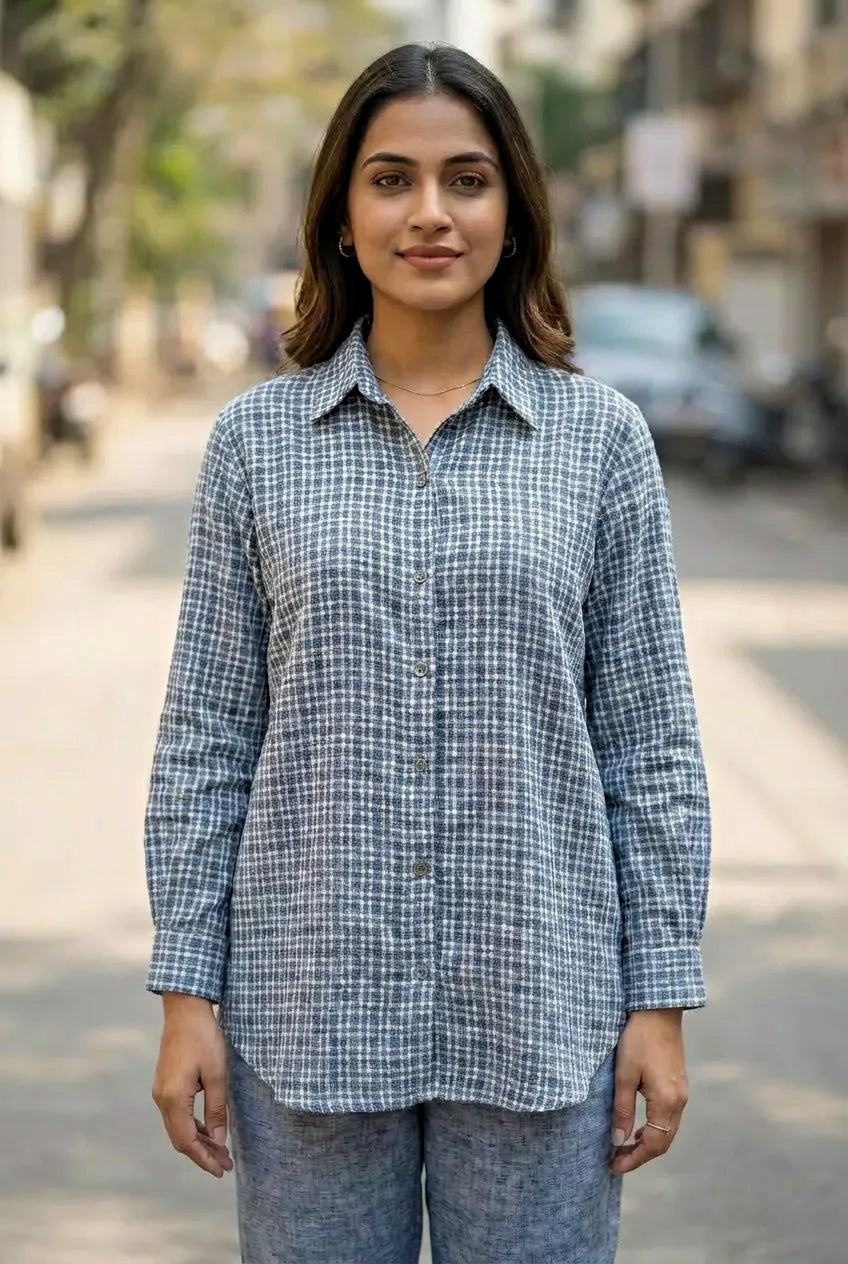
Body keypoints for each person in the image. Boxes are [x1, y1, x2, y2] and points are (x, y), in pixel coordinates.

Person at [145, 41, 711, 1264]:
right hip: (304, 1018)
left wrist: (657, 1000)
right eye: (390, 179)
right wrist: (188, 989)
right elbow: (206, 736)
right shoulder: (255, 446)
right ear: (341, 219)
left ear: (512, 215)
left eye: (466, 179)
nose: (430, 214)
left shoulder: (599, 442)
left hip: (542, 1016)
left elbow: (650, 743)